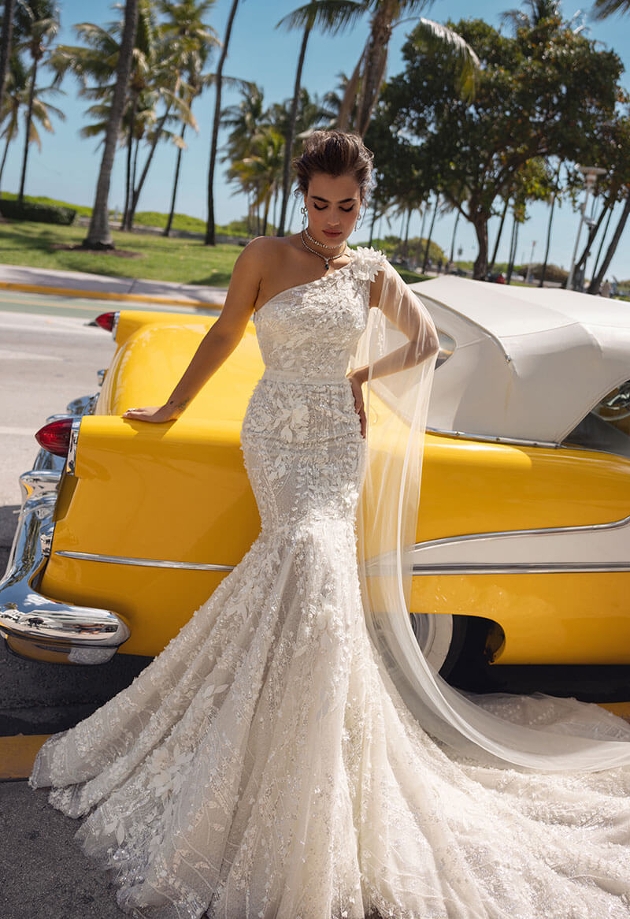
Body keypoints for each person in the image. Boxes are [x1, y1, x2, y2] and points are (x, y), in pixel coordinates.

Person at [31, 131, 630, 919]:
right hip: (277, 432)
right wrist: (173, 406)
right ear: (301, 195)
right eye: (320, 203)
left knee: (318, 581)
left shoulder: (373, 269)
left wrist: (361, 373)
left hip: (339, 444)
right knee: (304, 560)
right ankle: (267, 750)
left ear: (362, 200)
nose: (333, 220)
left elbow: (423, 342)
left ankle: (317, 755)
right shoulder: (263, 257)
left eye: (347, 206)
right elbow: (222, 335)